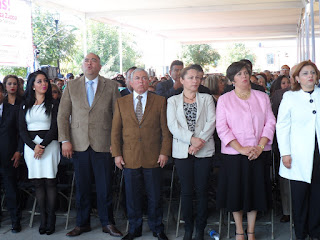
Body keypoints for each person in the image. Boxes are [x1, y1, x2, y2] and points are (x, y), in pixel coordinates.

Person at [57, 53, 122, 237]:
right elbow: (62, 115)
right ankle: (82, 223)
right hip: (78, 144)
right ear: (82, 65)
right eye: (86, 60)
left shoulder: (111, 85)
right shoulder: (71, 86)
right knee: (82, 187)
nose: (90, 63)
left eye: (94, 60)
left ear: (100, 66)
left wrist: (115, 143)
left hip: (104, 144)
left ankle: (107, 223)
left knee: (105, 187)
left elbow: (118, 116)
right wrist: (65, 140)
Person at [216, 61, 276, 240]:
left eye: (245, 73)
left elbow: (270, 122)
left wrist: (259, 147)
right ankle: (239, 232)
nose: (243, 76)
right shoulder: (225, 99)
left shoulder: (262, 97)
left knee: (255, 191)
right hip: (235, 154)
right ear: (232, 80)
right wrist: (240, 148)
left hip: (258, 152)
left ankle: (251, 231)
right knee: (236, 192)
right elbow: (222, 127)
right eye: (239, 74)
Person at [111, 68, 172, 240]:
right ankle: (134, 228)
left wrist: (164, 152)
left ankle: (157, 227)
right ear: (130, 82)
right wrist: (117, 154)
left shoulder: (160, 101)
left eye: (144, 78)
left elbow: (165, 131)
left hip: (154, 157)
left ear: (149, 81)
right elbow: (116, 131)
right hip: (129, 157)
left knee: (155, 196)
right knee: (132, 196)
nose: (141, 81)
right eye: (137, 78)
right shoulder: (121, 103)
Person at [167, 65, 215, 240]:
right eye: (191, 77)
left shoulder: (207, 98)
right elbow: (173, 126)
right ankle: (188, 228)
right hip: (182, 151)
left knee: (202, 191)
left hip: (203, 150)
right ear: (182, 80)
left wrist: (198, 143)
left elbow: (211, 122)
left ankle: (200, 229)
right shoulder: (172, 101)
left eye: (198, 78)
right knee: (186, 191)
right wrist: (191, 140)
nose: (195, 81)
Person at [277, 60, 320, 240]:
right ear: (297, 78)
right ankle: (300, 233)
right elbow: (282, 126)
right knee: (300, 196)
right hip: (298, 154)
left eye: (313, 72)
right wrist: (285, 153)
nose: (310, 76)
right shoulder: (290, 97)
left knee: (317, 195)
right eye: (305, 73)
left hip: (318, 153)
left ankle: (316, 231)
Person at [19, 70, 60, 235]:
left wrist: (42, 145)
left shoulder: (53, 103)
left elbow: (55, 127)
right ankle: (42, 218)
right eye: (39, 81)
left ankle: (51, 219)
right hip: (30, 148)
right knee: (37, 183)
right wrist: (33, 146)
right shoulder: (25, 104)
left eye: (45, 81)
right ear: (32, 85)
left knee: (50, 182)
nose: (44, 84)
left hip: (49, 146)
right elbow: (21, 129)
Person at [0, 82, 22, 233]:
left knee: (11, 190)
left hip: (9, 156)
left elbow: (20, 131)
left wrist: (18, 151)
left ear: (3, 93)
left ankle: (16, 221)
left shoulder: (13, 110)